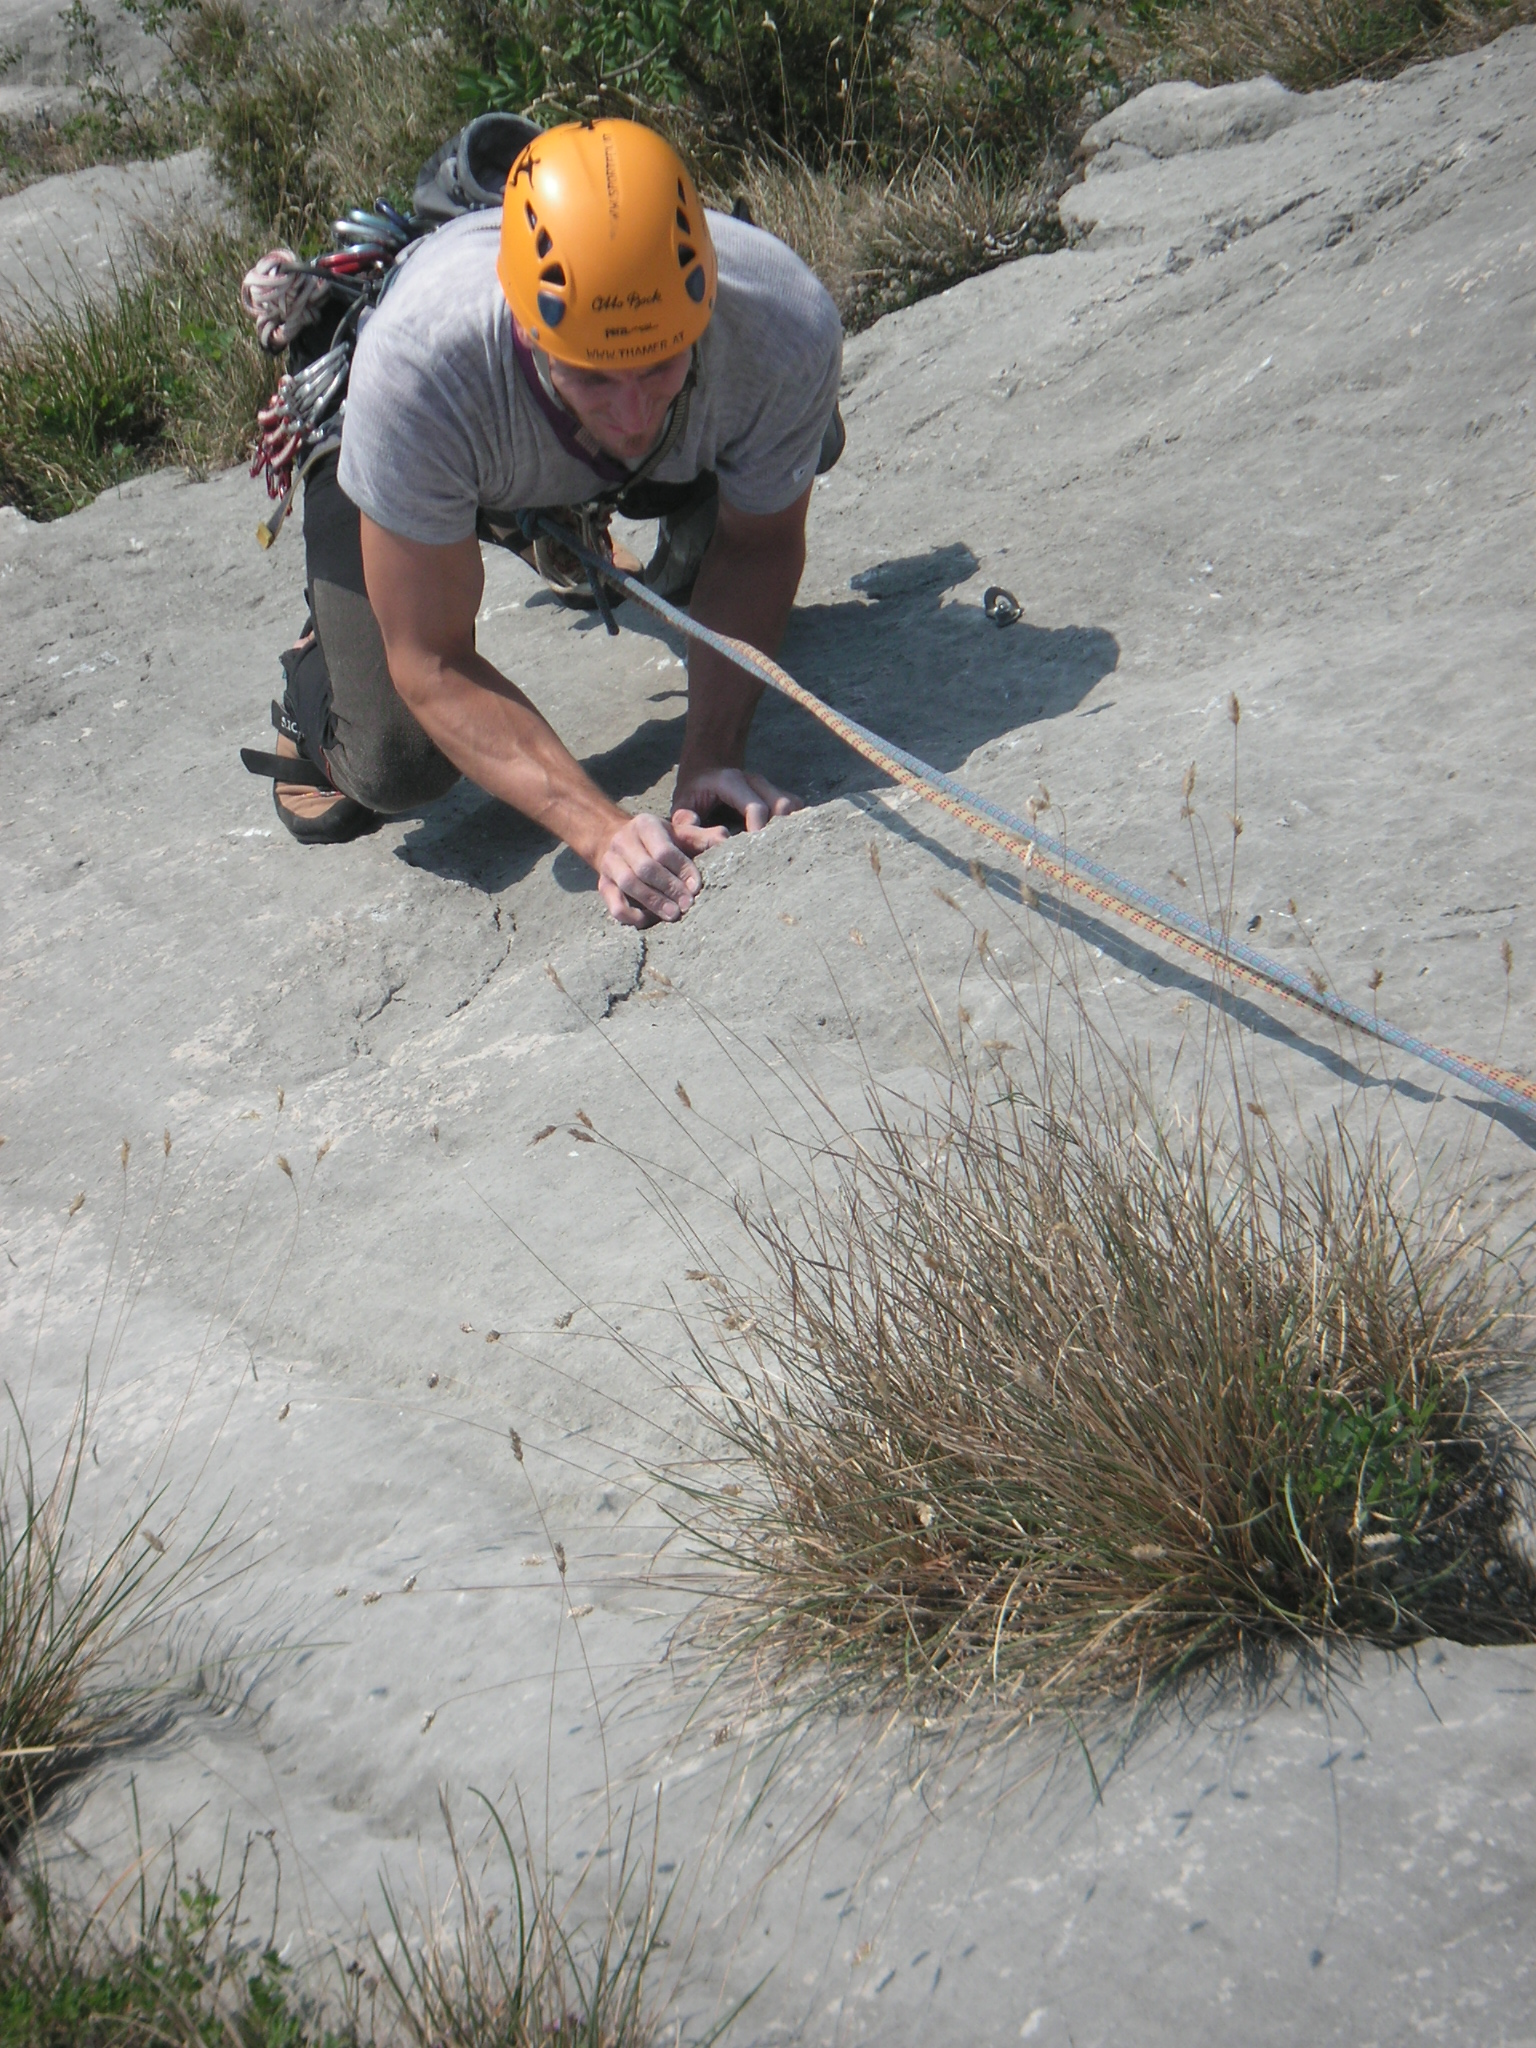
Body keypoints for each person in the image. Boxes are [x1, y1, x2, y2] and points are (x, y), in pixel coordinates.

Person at [252, 117, 844, 929]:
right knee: (395, 760)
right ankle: (324, 660)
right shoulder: (420, 366)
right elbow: (431, 661)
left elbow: (758, 547)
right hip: (427, 430)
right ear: (528, 324)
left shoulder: (780, 324)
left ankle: (564, 494)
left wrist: (711, 757)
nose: (631, 411)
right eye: (596, 374)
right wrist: (600, 830)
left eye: (660, 362)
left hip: (563, 437)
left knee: (793, 438)